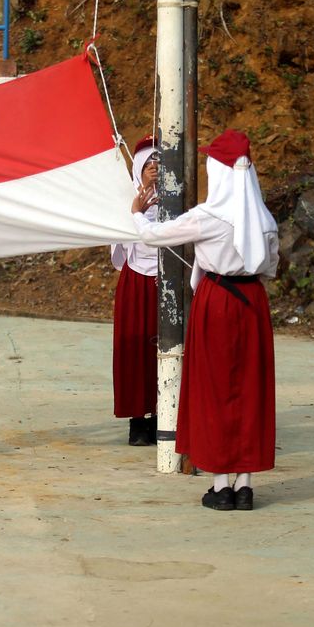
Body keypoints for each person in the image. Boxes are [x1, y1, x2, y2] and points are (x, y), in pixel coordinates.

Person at [129, 129, 279, 511]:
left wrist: (135, 214)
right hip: (253, 304)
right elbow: (270, 268)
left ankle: (221, 485)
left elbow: (153, 237)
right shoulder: (265, 218)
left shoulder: (209, 217)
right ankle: (245, 485)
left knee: (213, 390)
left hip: (217, 301)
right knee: (250, 390)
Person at [109, 136, 161, 446]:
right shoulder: (127, 200)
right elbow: (121, 237)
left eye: (159, 162)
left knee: (162, 349)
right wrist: (140, 195)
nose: (154, 167)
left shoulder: (175, 199)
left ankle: (160, 416)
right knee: (133, 349)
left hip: (163, 281)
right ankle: (136, 421)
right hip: (135, 280)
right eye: (148, 162)